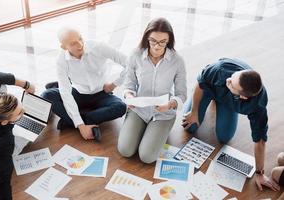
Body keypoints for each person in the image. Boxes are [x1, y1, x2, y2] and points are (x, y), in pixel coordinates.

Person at [182, 58, 279, 191]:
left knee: (224, 137)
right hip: (209, 88)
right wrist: (193, 112)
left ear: (243, 97)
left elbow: (260, 141)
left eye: (231, 84)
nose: (228, 79)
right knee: (190, 126)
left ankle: (221, 102)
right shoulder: (221, 70)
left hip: (228, 100)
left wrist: (259, 173)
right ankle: (201, 102)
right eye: (232, 77)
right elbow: (201, 84)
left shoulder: (257, 106)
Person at [117, 18, 187, 164]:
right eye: (153, 41)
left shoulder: (177, 61)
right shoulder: (135, 55)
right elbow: (129, 84)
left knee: (147, 157)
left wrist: (170, 104)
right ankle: (141, 129)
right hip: (139, 109)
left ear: (169, 41)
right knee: (125, 150)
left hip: (163, 113)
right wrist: (129, 95)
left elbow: (182, 94)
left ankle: (158, 131)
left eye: (162, 42)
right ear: (146, 38)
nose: (157, 46)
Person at [41, 28, 127, 141]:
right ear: (64, 47)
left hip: (102, 93)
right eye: (73, 43)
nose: (80, 44)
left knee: (120, 107)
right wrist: (81, 127)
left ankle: (71, 120)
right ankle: (82, 122)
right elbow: (66, 93)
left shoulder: (99, 47)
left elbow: (131, 63)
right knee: (46, 96)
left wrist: (114, 84)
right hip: (78, 92)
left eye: (80, 38)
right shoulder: (61, 60)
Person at [0, 92, 25, 200]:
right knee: (24, 139)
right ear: (4, 122)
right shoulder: (4, 143)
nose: (25, 111)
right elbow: (1, 183)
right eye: (20, 113)